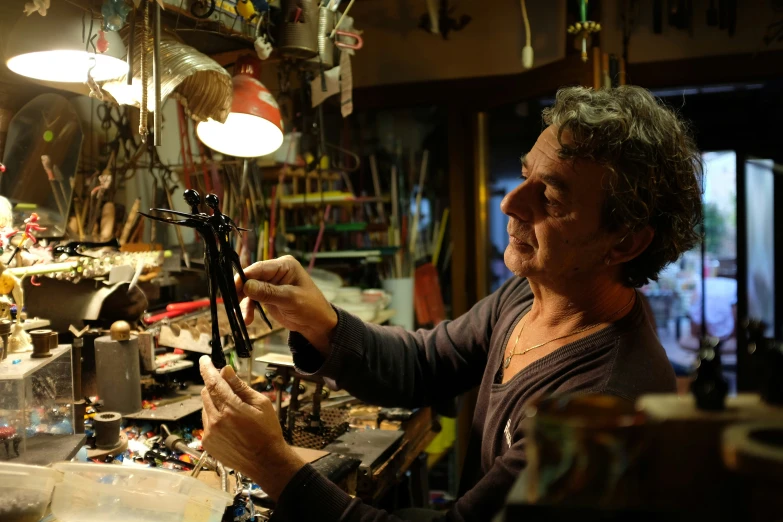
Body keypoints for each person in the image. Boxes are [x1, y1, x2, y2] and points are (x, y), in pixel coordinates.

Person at [198, 85, 704, 521]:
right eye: (525, 173)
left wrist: (270, 462)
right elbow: (425, 363)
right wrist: (322, 323)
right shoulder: (532, 295)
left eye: (549, 196)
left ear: (624, 243)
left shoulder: (602, 410)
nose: (510, 202)